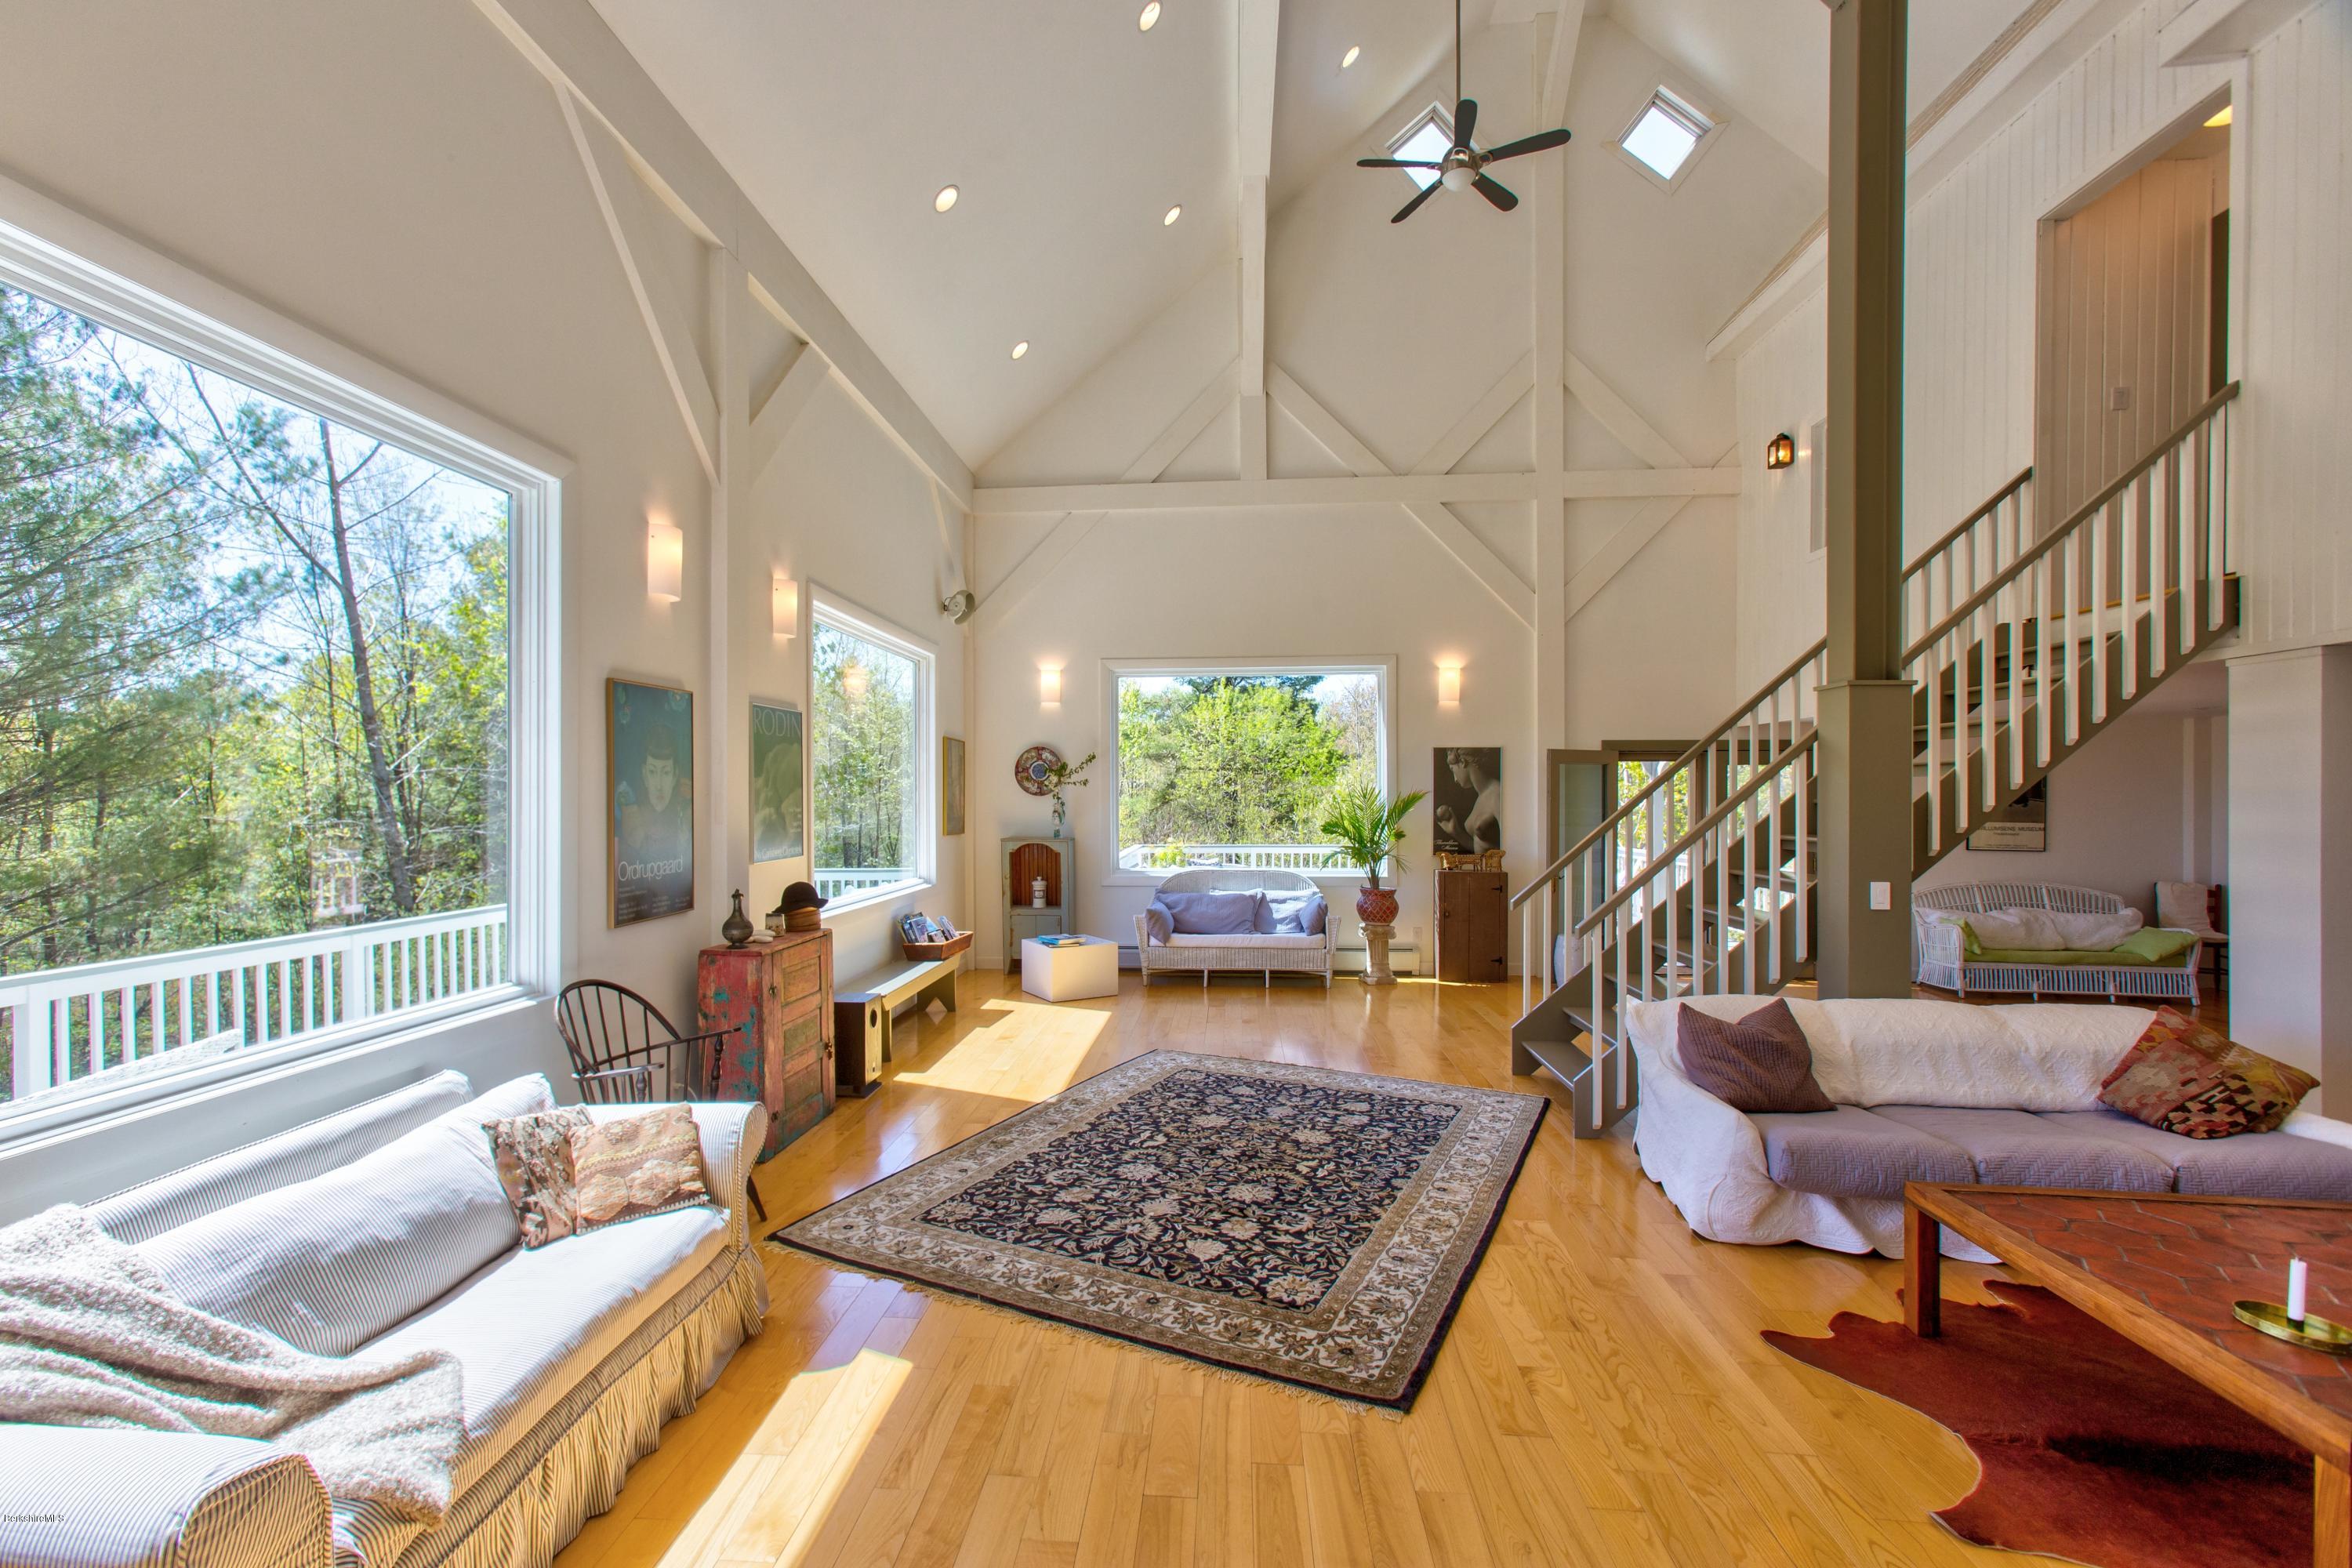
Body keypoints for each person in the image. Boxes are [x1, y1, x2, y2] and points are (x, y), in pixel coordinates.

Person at [615, 717, 693, 919]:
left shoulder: (685, 818)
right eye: (653, 772)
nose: (659, 785)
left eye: (666, 773)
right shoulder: (631, 820)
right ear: (644, 775)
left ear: (675, 775)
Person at [1436, 749, 1501, 855]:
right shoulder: (1481, 797)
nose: (1455, 779)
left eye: (1453, 770)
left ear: (1462, 762)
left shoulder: (1497, 794)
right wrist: (1456, 833)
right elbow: (1482, 850)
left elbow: (1512, 850)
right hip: (1481, 869)